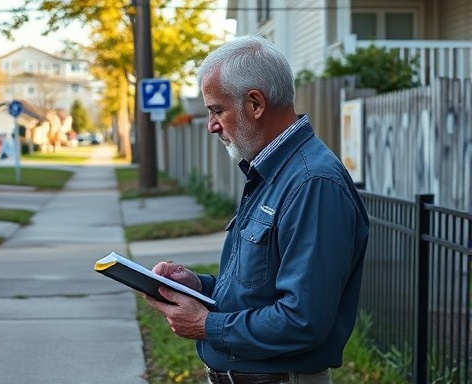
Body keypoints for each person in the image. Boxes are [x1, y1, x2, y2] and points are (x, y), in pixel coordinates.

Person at [144, 35, 370, 384]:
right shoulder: (271, 171)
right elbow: (259, 289)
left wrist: (205, 324)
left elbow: (302, 320)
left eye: (217, 110)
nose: (211, 125)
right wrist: (199, 287)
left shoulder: (313, 182)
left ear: (255, 104)